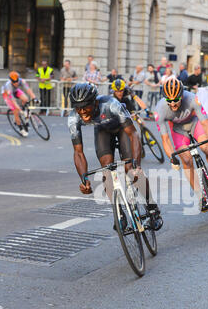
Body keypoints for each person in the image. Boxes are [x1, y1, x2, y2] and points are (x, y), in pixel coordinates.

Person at [68, 83, 163, 230]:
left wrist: (137, 166)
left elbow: (133, 135)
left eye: (85, 106)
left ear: (94, 102)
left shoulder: (111, 104)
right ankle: (119, 213)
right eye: (77, 107)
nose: (81, 111)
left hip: (122, 129)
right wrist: (84, 180)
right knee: (106, 170)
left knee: (131, 170)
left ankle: (153, 209)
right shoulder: (73, 117)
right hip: (103, 131)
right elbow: (78, 152)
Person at [154, 77, 208, 212]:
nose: (173, 103)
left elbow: (206, 123)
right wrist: (172, 158)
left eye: (176, 99)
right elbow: (165, 139)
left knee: (207, 148)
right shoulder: (160, 109)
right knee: (186, 160)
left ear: (181, 95)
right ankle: (201, 196)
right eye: (169, 100)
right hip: (178, 130)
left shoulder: (192, 99)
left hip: (195, 123)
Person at [1, 71, 38, 137]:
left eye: (17, 81)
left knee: (25, 99)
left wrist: (34, 98)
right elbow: (13, 101)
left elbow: (28, 90)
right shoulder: (8, 86)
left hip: (15, 91)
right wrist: (18, 109)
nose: (16, 83)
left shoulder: (22, 81)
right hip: (7, 94)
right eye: (14, 82)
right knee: (16, 110)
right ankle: (21, 129)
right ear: (11, 81)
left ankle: (23, 110)